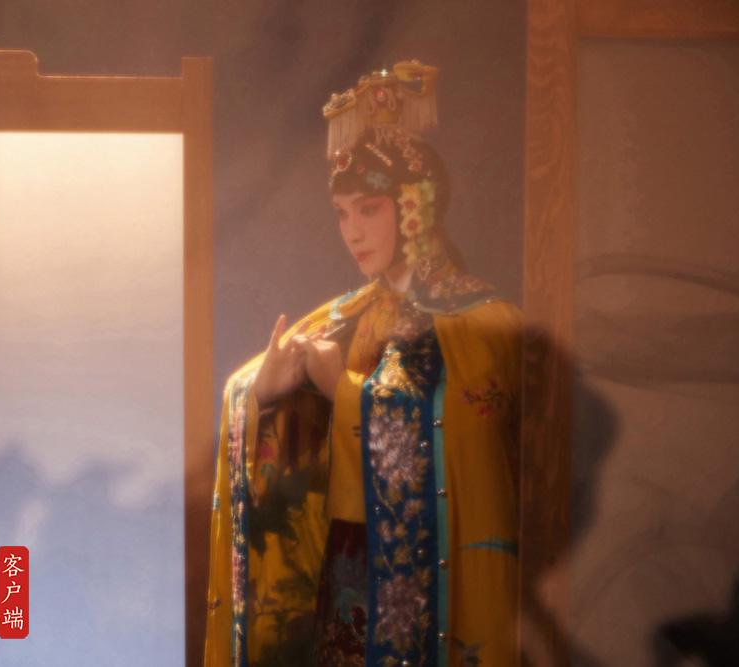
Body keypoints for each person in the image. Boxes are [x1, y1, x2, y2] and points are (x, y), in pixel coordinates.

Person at [205, 61, 523, 667]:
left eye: (369, 208)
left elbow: (460, 436)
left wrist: (344, 389)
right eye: (342, 213)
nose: (352, 231)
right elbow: (247, 390)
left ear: (415, 208)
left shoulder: (480, 322)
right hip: (346, 566)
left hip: (428, 581)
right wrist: (262, 394)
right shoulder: (346, 316)